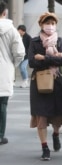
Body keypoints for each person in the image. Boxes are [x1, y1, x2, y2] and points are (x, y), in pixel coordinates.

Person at [28, 12, 62, 161]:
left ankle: (56, 134)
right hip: (39, 83)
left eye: (53, 23)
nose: (50, 26)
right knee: (41, 116)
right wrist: (53, 58)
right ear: (41, 25)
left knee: (57, 114)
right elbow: (32, 62)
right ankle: (45, 147)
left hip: (56, 81)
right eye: (47, 23)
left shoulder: (59, 40)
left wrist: (44, 58)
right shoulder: (34, 42)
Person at [0, 1, 25, 145]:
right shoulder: (11, 30)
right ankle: (0, 134)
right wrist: (12, 65)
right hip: (4, 71)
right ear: (4, 13)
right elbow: (20, 52)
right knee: (2, 104)